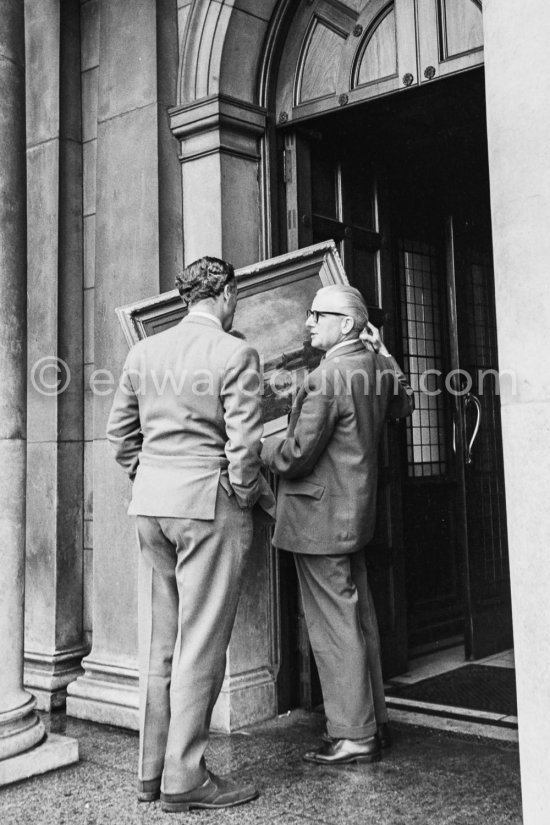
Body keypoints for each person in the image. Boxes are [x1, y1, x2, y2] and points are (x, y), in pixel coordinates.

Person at [106, 257, 275, 812]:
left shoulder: (144, 350)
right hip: (207, 506)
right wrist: (242, 494)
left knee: (162, 643)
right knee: (201, 645)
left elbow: (120, 436)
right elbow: (245, 448)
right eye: (236, 297)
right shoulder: (235, 352)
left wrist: (152, 477)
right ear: (225, 294)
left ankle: (150, 773)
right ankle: (185, 780)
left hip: (151, 506)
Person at [261, 283, 414, 765]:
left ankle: (353, 735)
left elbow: (296, 456)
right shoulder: (374, 367)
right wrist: (382, 349)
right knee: (357, 617)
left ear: (345, 324)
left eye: (317, 315)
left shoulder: (328, 377)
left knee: (334, 628)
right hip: (353, 515)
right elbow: (405, 403)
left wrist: (257, 448)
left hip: (319, 518)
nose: (308, 323)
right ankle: (374, 724)